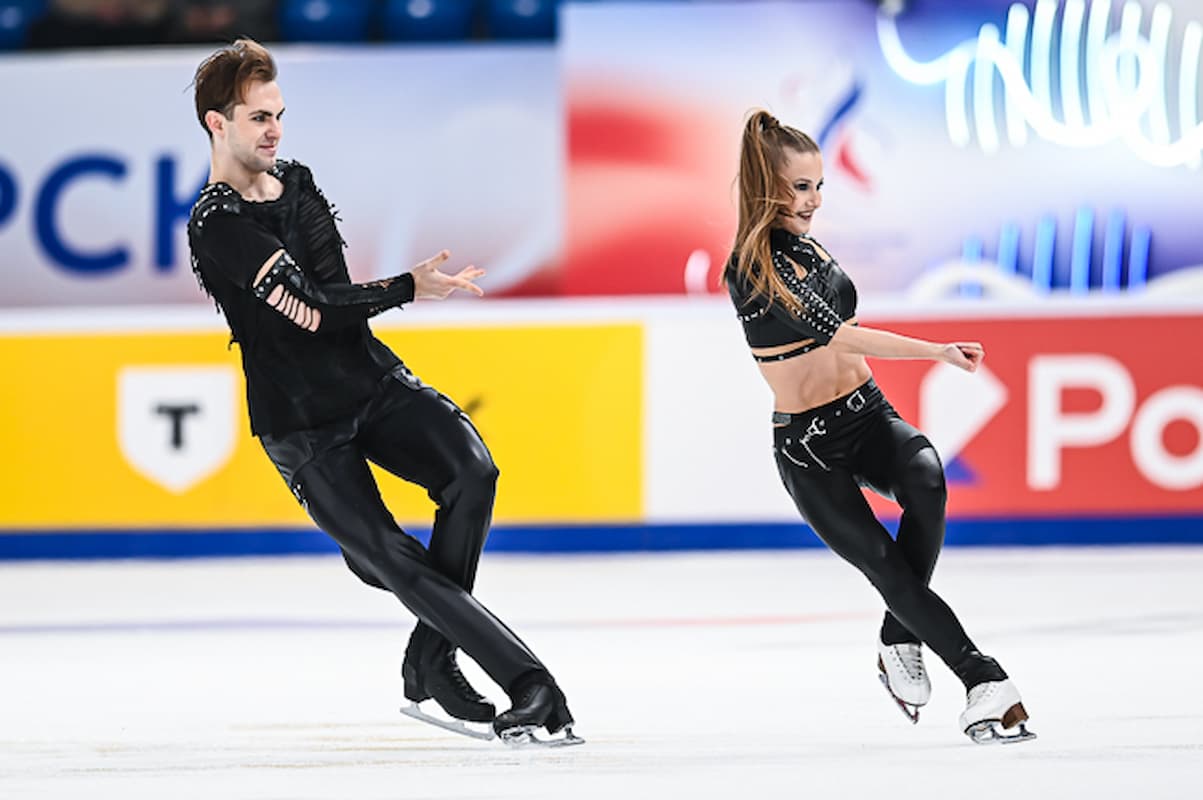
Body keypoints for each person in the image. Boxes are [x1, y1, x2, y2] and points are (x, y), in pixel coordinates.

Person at [185, 38, 578, 746]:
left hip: (368, 379)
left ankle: (428, 659)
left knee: (472, 472)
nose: (274, 131)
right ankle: (531, 683)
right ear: (218, 124)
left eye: (279, 115)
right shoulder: (217, 224)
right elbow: (308, 308)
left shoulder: (296, 182)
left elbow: (331, 291)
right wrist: (405, 287)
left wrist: (384, 293)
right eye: (258, 118)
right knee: (392, 557)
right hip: (300, 424)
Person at [725, 110, 1034, 745]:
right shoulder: (751, 270)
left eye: (818, 186)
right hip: (811, 450)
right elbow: (838, 335)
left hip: (868, 413)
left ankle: (899, 634)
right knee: (884, 564)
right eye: (800, 187)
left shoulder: (811, 247)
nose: (814, 200)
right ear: (765, 187)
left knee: (926, 477)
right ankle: (983, 679)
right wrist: (936, 351)